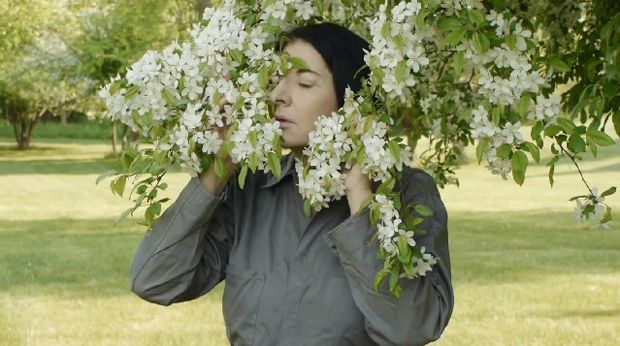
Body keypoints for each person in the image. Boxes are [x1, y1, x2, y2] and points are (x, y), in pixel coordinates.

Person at [130, 22, 453, 346]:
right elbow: (155, 280)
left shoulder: (405, 194)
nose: (277, 96)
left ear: (353, 102)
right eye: (275, 81)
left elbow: (413, 328)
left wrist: (359, 195)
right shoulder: (251, 189)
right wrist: (219, 168)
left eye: (304, 83)